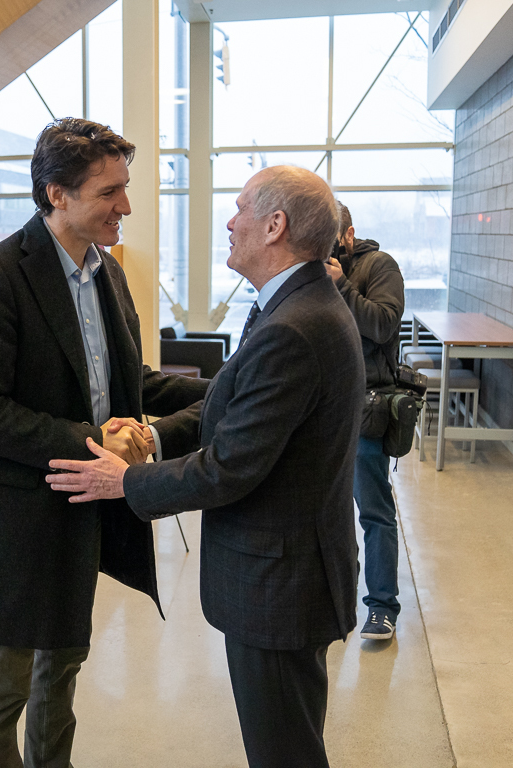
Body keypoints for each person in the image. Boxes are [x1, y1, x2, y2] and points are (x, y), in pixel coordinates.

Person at [48, 165, 365, 768]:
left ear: (275, 226)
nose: (229, 220)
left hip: (281, 586)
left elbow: (229, 467)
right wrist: (150, 436)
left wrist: (126, 481)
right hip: (289, 577)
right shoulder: (295, 306)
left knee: (285, 752)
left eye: (241, 208)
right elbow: (232, 408)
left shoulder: (294, 328)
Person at [0, 118, 210, 768]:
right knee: (2, 689)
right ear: (57, 193)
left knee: (61, 675)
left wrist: (226, 391)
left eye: (126, 188)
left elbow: (127, 382)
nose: (127, 206)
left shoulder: (107, 276)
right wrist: (98, 438)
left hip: (81, 512)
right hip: (12, 520)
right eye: (110, 191)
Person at [324, 201, 406, 641]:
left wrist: (342, 288)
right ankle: (337, 599)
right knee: (328, 513)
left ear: (348, 234)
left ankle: (382, 607)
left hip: (365, 408)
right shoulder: (311, 268)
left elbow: (384, 325)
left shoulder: (379, 266)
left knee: (373, 511)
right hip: (320, 409)